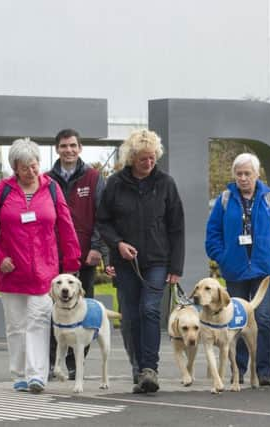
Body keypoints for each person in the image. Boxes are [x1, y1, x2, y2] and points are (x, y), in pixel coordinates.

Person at [97, 129, 185, 394]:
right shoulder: (115, 184)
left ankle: (150, 368)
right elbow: (103, 221)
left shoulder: (166, 183)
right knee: (131, 316)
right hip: (126, 262)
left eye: (152, 158)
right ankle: (137, 367)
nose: (149, 163)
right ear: (132, 158)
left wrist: (176, 267)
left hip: (158, 259)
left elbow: (177, 226)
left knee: (150, 310)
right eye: (143, 159)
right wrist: (118, 244)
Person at [0, 138, 80, 394]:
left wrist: (72, 262)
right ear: (15, 167)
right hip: (12, 271)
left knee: (39, 321)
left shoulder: (51, 189)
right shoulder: (2, 190)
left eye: (36, 164)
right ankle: (18, 374)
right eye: (26, 167)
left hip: (45, 271)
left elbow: (65, 225)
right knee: (16, 325)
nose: (33, 171)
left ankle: (37, 376)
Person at [205, 152, 270, 386]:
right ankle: (238, 369)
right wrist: (223, 257)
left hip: (264, 269)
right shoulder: (224, 200)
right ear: (234, 175)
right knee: (236, 320)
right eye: (239, 174)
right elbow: (212, 234)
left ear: (257, 174)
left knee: (262, 318)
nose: (243, 178)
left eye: (247, 173)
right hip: (235, 271)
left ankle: (263, 370)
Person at [47, 128, 106, 379]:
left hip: (84, 257)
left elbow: (103, 215)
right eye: (63, 146)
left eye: (72, 145)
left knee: (83, 311)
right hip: (52, 257)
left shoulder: (93, 177)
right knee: (52, 312)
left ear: (80, 148)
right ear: (57, 149)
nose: (68, 150)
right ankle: (52, 364)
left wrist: (97, 247)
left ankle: (75, 364)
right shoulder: (47, 180)